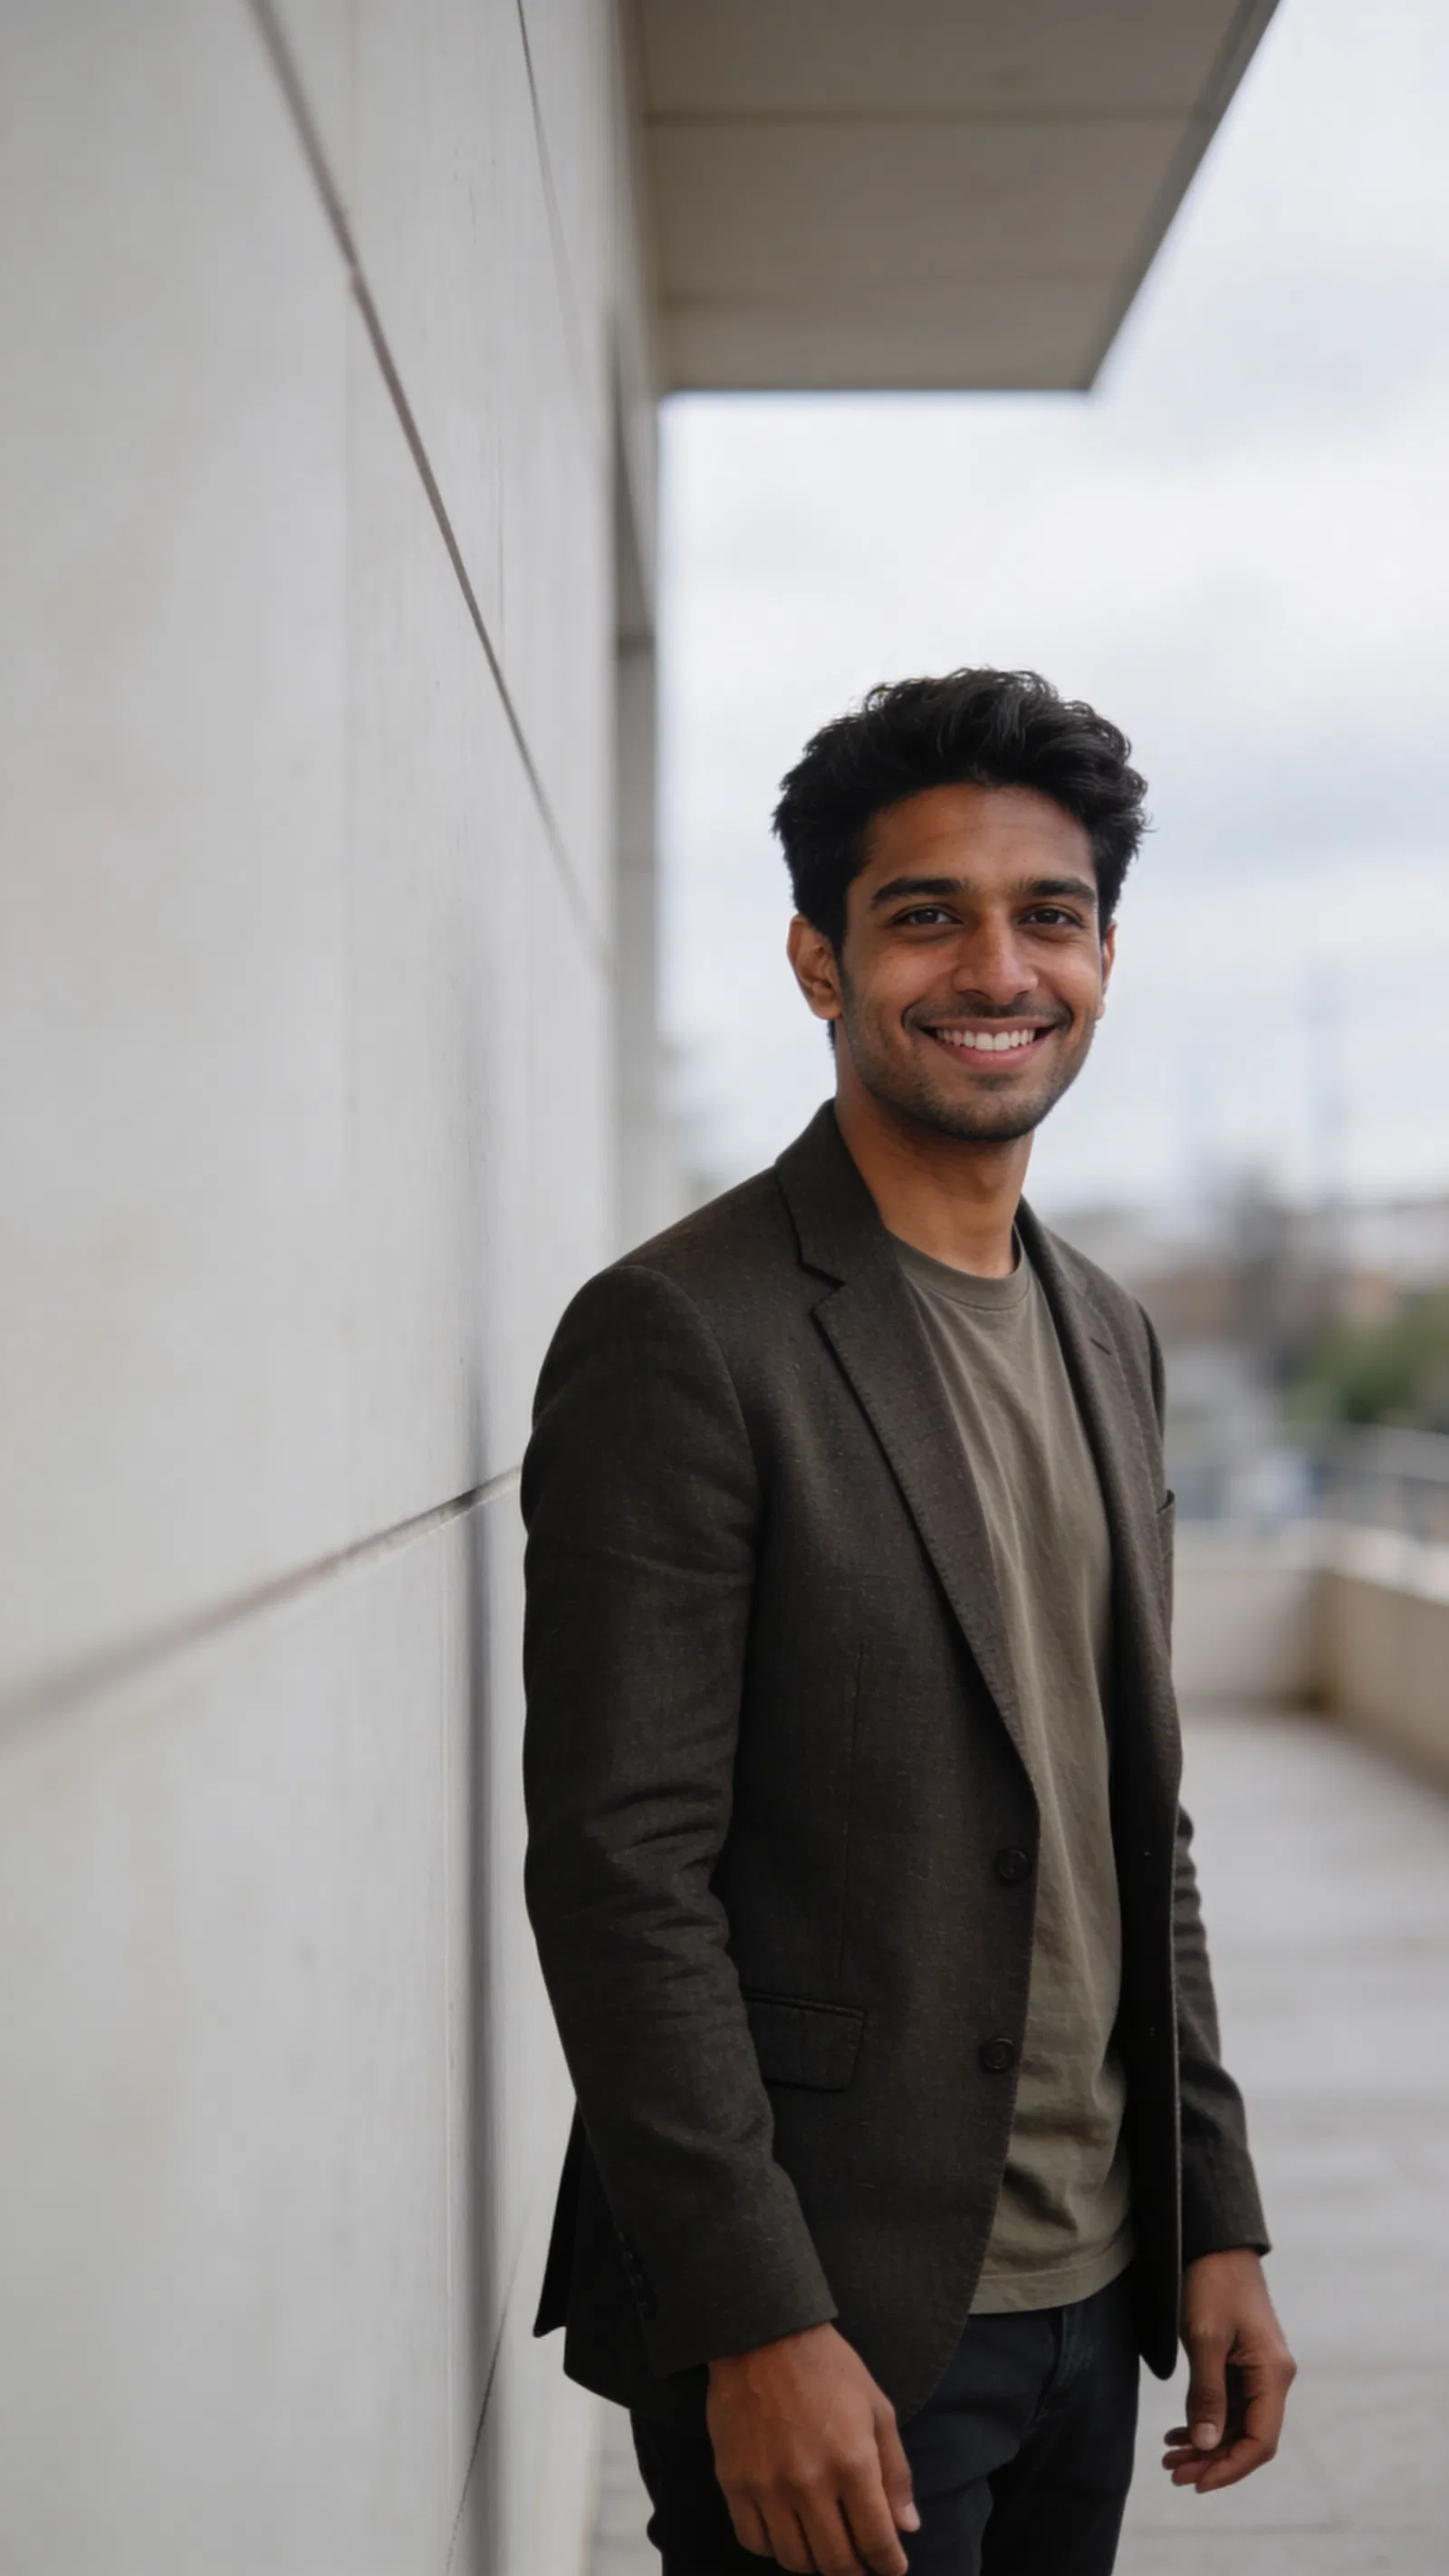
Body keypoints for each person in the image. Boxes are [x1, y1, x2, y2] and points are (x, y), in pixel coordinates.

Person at [521, 669, 1295, 2575]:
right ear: (817, 958)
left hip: (1086, 2291)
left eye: (1046, 914)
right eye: (922, 912)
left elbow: (1136, 1816)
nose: (993, 965)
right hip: (828, 2318)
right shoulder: (683, 1333)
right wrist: (754, 2321)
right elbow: (621, 1872)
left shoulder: (1105, 1330)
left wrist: (1213, 2211)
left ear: (1103, 953)